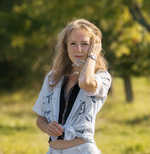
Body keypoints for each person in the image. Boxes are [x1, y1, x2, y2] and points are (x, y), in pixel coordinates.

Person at [33, 18, 112, 154]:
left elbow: (85, 83)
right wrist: (47, 127)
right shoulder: (53, 77)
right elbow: (40, 119)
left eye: (85, 44)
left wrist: (92, 57)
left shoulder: (101, 77)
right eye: (73, 43)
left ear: (94, 47)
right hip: (52, 150)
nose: (79, 49)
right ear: (66, 47)